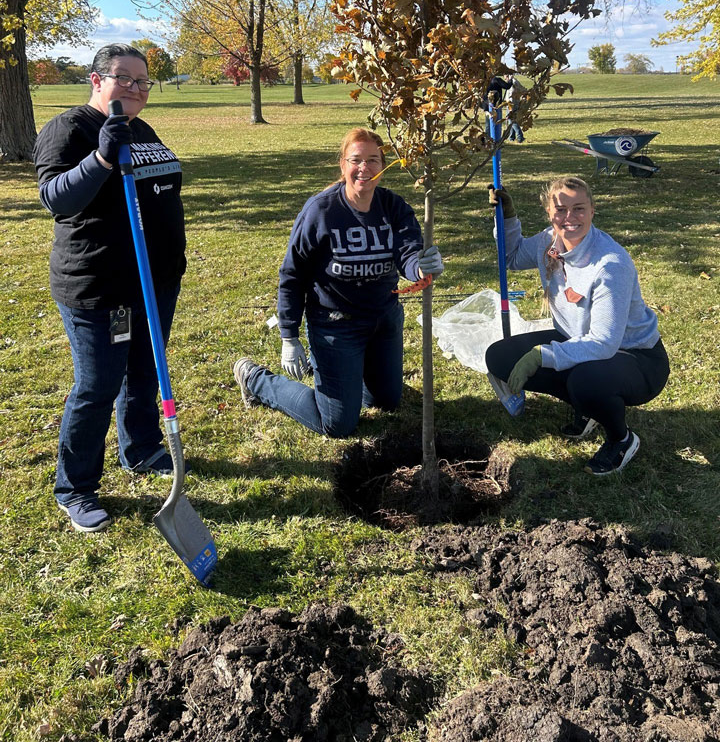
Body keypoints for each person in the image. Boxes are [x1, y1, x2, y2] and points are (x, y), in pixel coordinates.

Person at [33, 44, 187, 532]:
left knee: (142, 370)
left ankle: (140, 447)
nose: (137, 88)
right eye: (125, 78)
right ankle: (74, 487)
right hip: (102, 287)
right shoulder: (70, 129)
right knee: (98, 384)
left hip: (155, 282)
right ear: (96, 80)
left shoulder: (140, 129)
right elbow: (56, 199)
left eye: (144, 81)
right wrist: (100, 157)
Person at [232, 128, 443, 438]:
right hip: (335, 325)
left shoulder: (394, 207)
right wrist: (289, 337)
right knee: (338, 424)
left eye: (373, 160)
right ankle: (256, 380)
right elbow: (292, 275)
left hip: (383, 320)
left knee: (386, 401)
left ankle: (344, 374)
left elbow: (408, 254)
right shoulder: (321, 211)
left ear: (383, 165)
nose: (364, 168)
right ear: (343, 164)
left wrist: (422, 268)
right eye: (355, 159)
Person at [485, 176, 669, 476]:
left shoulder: (610, 265)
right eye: (560, 209)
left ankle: (621, 439)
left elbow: (605, 343)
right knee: (499, 357)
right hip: (577, 337)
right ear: (549, 212)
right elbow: (512, 258)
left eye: (579, 208)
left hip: (637, 358)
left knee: (586, 380)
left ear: (593, 210)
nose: (569, 218)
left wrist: (542, 355)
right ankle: (587, 407)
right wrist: (507, 217)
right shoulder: (549, 241)